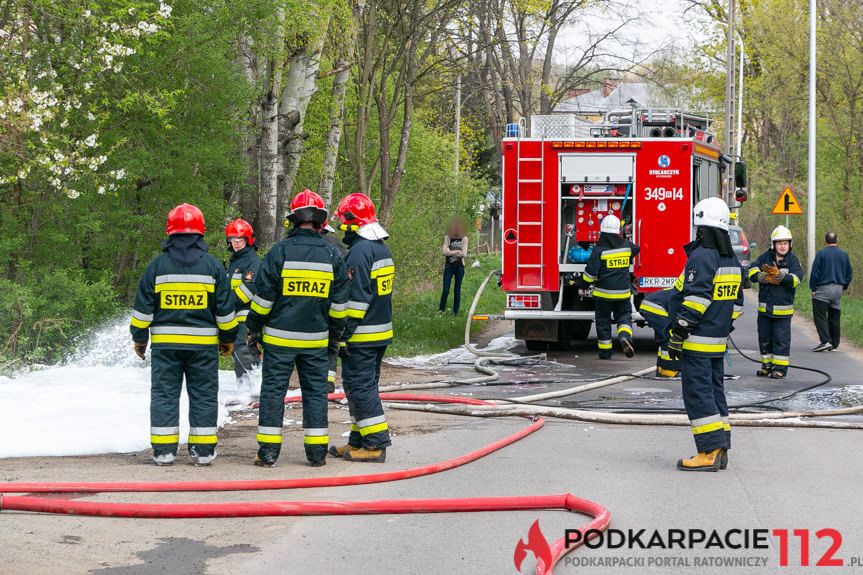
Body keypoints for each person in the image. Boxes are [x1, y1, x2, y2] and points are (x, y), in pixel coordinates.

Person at [245, 190, 350, 467]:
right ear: (319, 221)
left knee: (273, 393)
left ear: (292, 220)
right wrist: (335, 337)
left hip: (279, 341)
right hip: (316, 341)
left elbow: (263, 299)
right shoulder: (332, 254)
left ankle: (267, 453)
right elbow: (340, 305)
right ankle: (316, 454)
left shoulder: (279, 251)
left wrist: (253, 330)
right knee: (315, 394)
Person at [130, 203, 238, 466]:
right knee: (203, 395)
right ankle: (203, 453)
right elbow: (225, 311)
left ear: (170, 232)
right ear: (200, 233)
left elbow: (143, 309)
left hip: (166, 347)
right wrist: (227, 338)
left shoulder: (157, 265)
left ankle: (164, 452)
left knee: (165, 395)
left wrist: (140, 338)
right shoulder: (212, 266)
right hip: (203, 348)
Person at [667, 197, 743, 472]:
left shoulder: (702, 255)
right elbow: (736, 303)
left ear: (701, 225)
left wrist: (677, 335)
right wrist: (722, 326)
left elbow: (695, 300)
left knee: (699, 394)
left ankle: (708, 452)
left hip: (697, 342)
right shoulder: (730, 258)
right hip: (717, 342)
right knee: (715, 393)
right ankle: (720, 448)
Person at [328, 193, 394, 463]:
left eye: (344, 222)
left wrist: (342, 332)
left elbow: (356, 299)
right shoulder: (380, 247)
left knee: (360, 388)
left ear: (353, 222)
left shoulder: (359, 251)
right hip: (379, 332)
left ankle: (375, 445)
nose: (342, 227)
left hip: (362, 334)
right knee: (361, 388)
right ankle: (359, 440)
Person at [747, 225, 804, 378]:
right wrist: (763, 277)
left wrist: (780, 276)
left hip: (783, 311)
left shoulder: (793, 260)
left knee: (781, 341)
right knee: (764, 339)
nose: (783, 246)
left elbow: (796, 279)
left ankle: (780, 369)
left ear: (789, 244)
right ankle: (767, 366)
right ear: (773, 244)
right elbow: (752, 270)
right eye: (779, 243)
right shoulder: (765, 257)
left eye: (785, 243)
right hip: (765, 310)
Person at [583, 214, 639, 359]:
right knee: (624, 318)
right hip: (622, 294)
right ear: (617, 231)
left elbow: (590, 275)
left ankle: (605, 353)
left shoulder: (598, 250)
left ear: (602, 231)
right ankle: (625, 336)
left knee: (603, 323)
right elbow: (636, 248)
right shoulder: (627, 247)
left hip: (603, 295)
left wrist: (581, 282)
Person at [225, 218, 262, 389]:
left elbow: (248, 290)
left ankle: (257, 382)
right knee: (238, 350)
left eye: (240, 240)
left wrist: (224, 303)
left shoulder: (252, 261)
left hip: (248, 314)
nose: (236, 243)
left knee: (242, 348)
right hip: (235, 313)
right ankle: (244, 387)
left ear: (248, 240)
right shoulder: (235, 261)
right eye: (232, 240)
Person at [809, 231, 853, 352]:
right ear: (837, 241)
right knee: (835, 316)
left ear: (825, 240)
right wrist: (843, 286)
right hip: (838, 289)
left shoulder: (821, 254)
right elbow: (849, 273)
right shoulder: (844, 255)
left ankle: (825, 341)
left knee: (820, 316)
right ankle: (834, 343)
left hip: (823, 289)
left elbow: (815, 273)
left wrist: (813, 288)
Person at [321, 222, 347, 394]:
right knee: (333, 343)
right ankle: (329, 383)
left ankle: (319, 381)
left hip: (318, 299)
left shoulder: (314, 245)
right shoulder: (336, 243)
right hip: (336, 298)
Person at [638, 282, 681, 378]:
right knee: (670, 338)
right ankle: (669, 371)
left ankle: (661, 369)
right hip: (655, 307)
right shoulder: (689, 296)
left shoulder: (684, 291)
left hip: (650, 304)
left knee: (664, 338)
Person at [439, 218, 468, 315]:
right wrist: (456, 252)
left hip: (460, 267)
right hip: (449, 267)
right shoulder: (447, 238)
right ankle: (441, 311)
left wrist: (450, 252)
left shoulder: (464, 239)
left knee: (457, 291)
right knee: (446, 290)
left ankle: (455, 312)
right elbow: (444, 252)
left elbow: (463, 254)